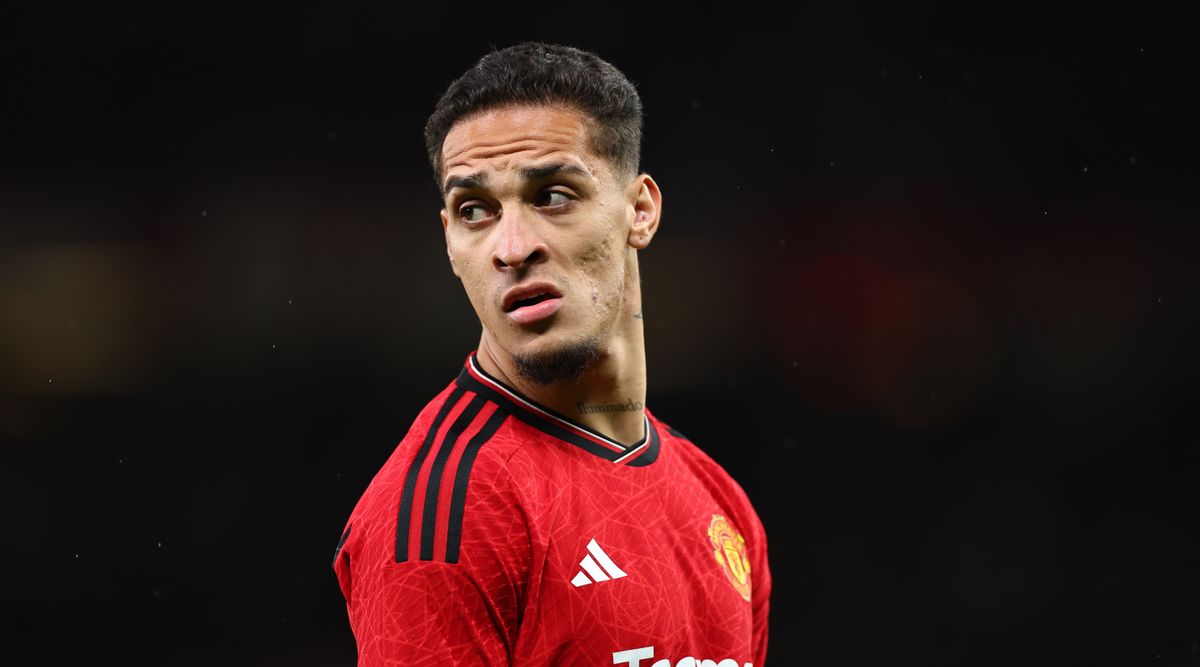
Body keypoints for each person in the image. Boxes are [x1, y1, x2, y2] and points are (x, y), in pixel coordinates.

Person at [332, 42, 770, 667]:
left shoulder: (721, 503)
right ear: (450, 244)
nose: (511, 247)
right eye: (474, 210)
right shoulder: (446, 517)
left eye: (552, 195)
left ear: (639, 211)